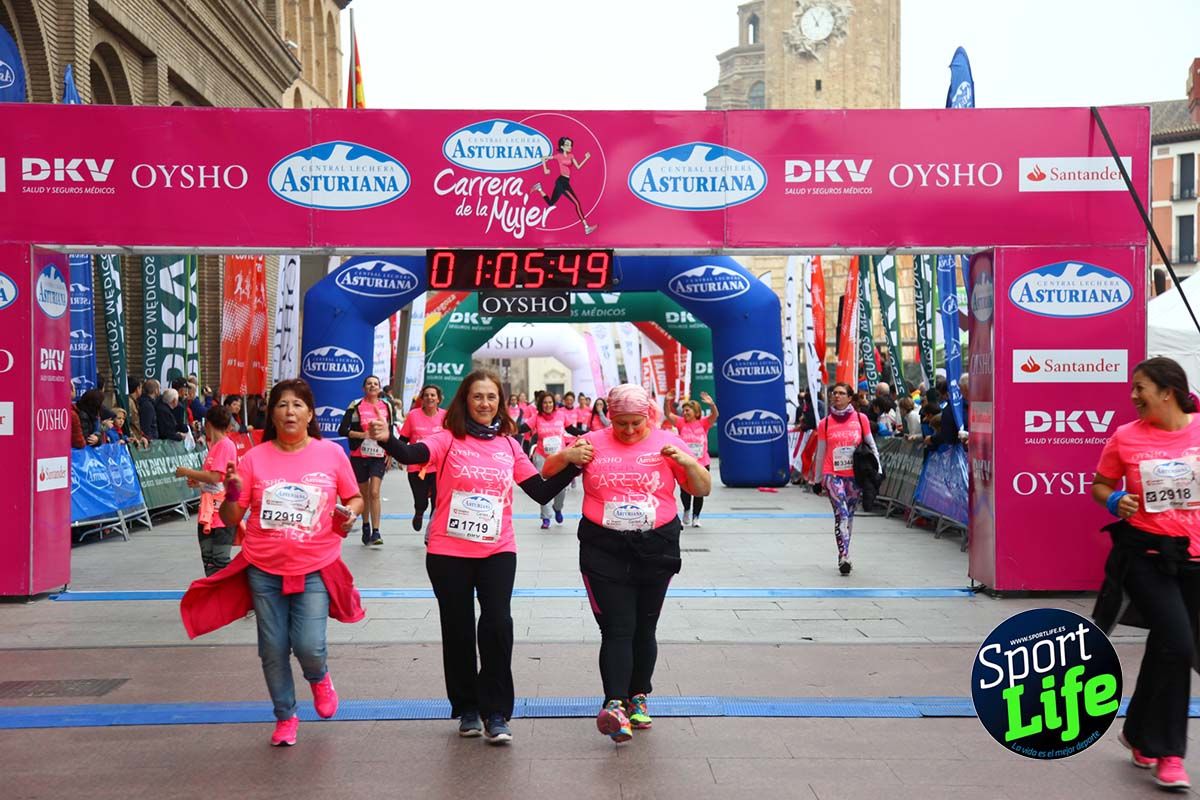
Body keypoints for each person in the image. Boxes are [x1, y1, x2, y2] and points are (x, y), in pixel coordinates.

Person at [367, 369, 590, 744]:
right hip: (448, 551)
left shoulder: (509, 446)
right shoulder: (447, 438)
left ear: (500, 403)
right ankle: (468, 708)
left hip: (497, 549)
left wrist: (574, 464)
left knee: (498, 625)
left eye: (491, 397)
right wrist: (387, 438)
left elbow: (539, 491)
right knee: (457, 629)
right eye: (477, 397)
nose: (485, 404)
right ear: (465, 401)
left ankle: (497, 711)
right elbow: (412, 453)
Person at [185, 378, 365, 747]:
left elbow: (354, 497)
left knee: (309, 645)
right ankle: (285, 716)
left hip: (315, 565)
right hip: (264, 568)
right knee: (272, 647)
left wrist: (350, 514)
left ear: (310, 414)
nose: (289, 412)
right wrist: (232, 490)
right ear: (272, 414)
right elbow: (232, 517)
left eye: (297, 405)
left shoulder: (331, 454)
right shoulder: (253, 459)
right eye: (282, 405)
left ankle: (319, 677)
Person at [541, 383, 711, 743]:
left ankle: (638, 697)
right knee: (618, 628)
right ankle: (614, 704)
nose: (630, 430)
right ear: (610, 418)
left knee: (645, 627)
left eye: (637, 423)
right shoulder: (592, 442)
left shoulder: (668, 442)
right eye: (621, 424)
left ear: (648, 416)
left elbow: (702, 488)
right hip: (604, 547)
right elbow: (547, 473)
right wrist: (568, 455)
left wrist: (687, 462)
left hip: (656, 545)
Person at [1091, 357, 1200, 790]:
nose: (1133, 395)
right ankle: (1170, 753)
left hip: (1193, 560)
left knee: (1166, 647)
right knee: (1179, 642)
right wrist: (1114, 500)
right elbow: (1099, 484)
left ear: (1167, 392)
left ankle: (1138, 732)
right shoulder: (1126, 437)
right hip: (1144, 556)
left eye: (1141, 387)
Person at [813, 382, 880, 576]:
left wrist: (878, 469)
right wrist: (817, 480)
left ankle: (845, 553)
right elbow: (821, 453)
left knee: (849, 516)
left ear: (850, 398)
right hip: (832, 474)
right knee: (841, 513)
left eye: (842, 393)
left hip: (854, 475)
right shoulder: (825, 423)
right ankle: (844, 556)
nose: (837, 396)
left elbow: (871, 445)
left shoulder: (861, 419)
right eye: (834, 393)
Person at [174, 405, 238, 577]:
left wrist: (187, 472)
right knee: (209, 560)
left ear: (208, 424)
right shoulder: (215, 446)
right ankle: (214, 593)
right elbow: (216, 479)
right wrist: (200, 483)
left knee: (220, 560)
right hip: (208, 511)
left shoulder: (225, 445)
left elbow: (215, 476)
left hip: (222, 513)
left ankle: (228, 590)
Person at [339, 375, 397, 546]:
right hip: (359, 455)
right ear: (364, 388)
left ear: (379, 388)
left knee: (374, 492)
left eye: (375, 384)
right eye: (369, 384)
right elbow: (342, 430)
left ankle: (376, 531)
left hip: (379, 455)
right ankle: (366, 525)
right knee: (363, 494)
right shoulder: (356, 405)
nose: (372, 386)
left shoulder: (386, 405)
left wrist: (391, 453)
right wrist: (362, 435)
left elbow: (390, 430)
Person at [662, 391, 718, 527]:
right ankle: (686, 510)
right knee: (685, 489)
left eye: (687, 410)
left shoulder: (703, 423)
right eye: (684, 411)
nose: (685, 413)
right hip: (685, 463)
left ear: (696, 412)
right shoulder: (681, 423)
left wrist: (711, 404)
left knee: (699, 491)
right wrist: (667, 402)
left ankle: (696, 517)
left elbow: (715, 415)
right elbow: (668, 414)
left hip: (702, 463)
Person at [398, 384, 447, 532]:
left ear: (438, 399)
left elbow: (452, 440)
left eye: (433, 395)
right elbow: (403, 439)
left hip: (438, 467)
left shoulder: (445, 416)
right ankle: (419, 512)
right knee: (421, 502)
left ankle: (431, 532)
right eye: (426, 395)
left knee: (437, 503)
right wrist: (399, 456)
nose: (429, 398)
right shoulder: (413, 415)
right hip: (416, 467)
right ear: (422, 399)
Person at [532, 136, 597, 235]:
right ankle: (586, 227)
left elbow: (578, 167)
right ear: (562, 146)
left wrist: (586, 158)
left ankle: (539, 188)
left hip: (565, 181)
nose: (570, 147)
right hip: (562, 182)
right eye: (567, 145)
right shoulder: (558, 156)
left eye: (570, 145)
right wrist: (545, 169)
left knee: (551, 203)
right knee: (577, 203)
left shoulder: (571, 156)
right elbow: (543, 158)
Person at [528, 392, 571, 529]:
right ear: (541, 404)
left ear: (554, 403)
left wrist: (588, 434)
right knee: (543, 487)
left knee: (561, 488)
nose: (548, 405)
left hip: (560, 457)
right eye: (545, 402)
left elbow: (571, 429)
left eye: (550, 402)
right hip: (542, 456)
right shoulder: (537, 417)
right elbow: (524, 428)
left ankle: (558, 508)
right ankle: (545, 517)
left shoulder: (561, 415)